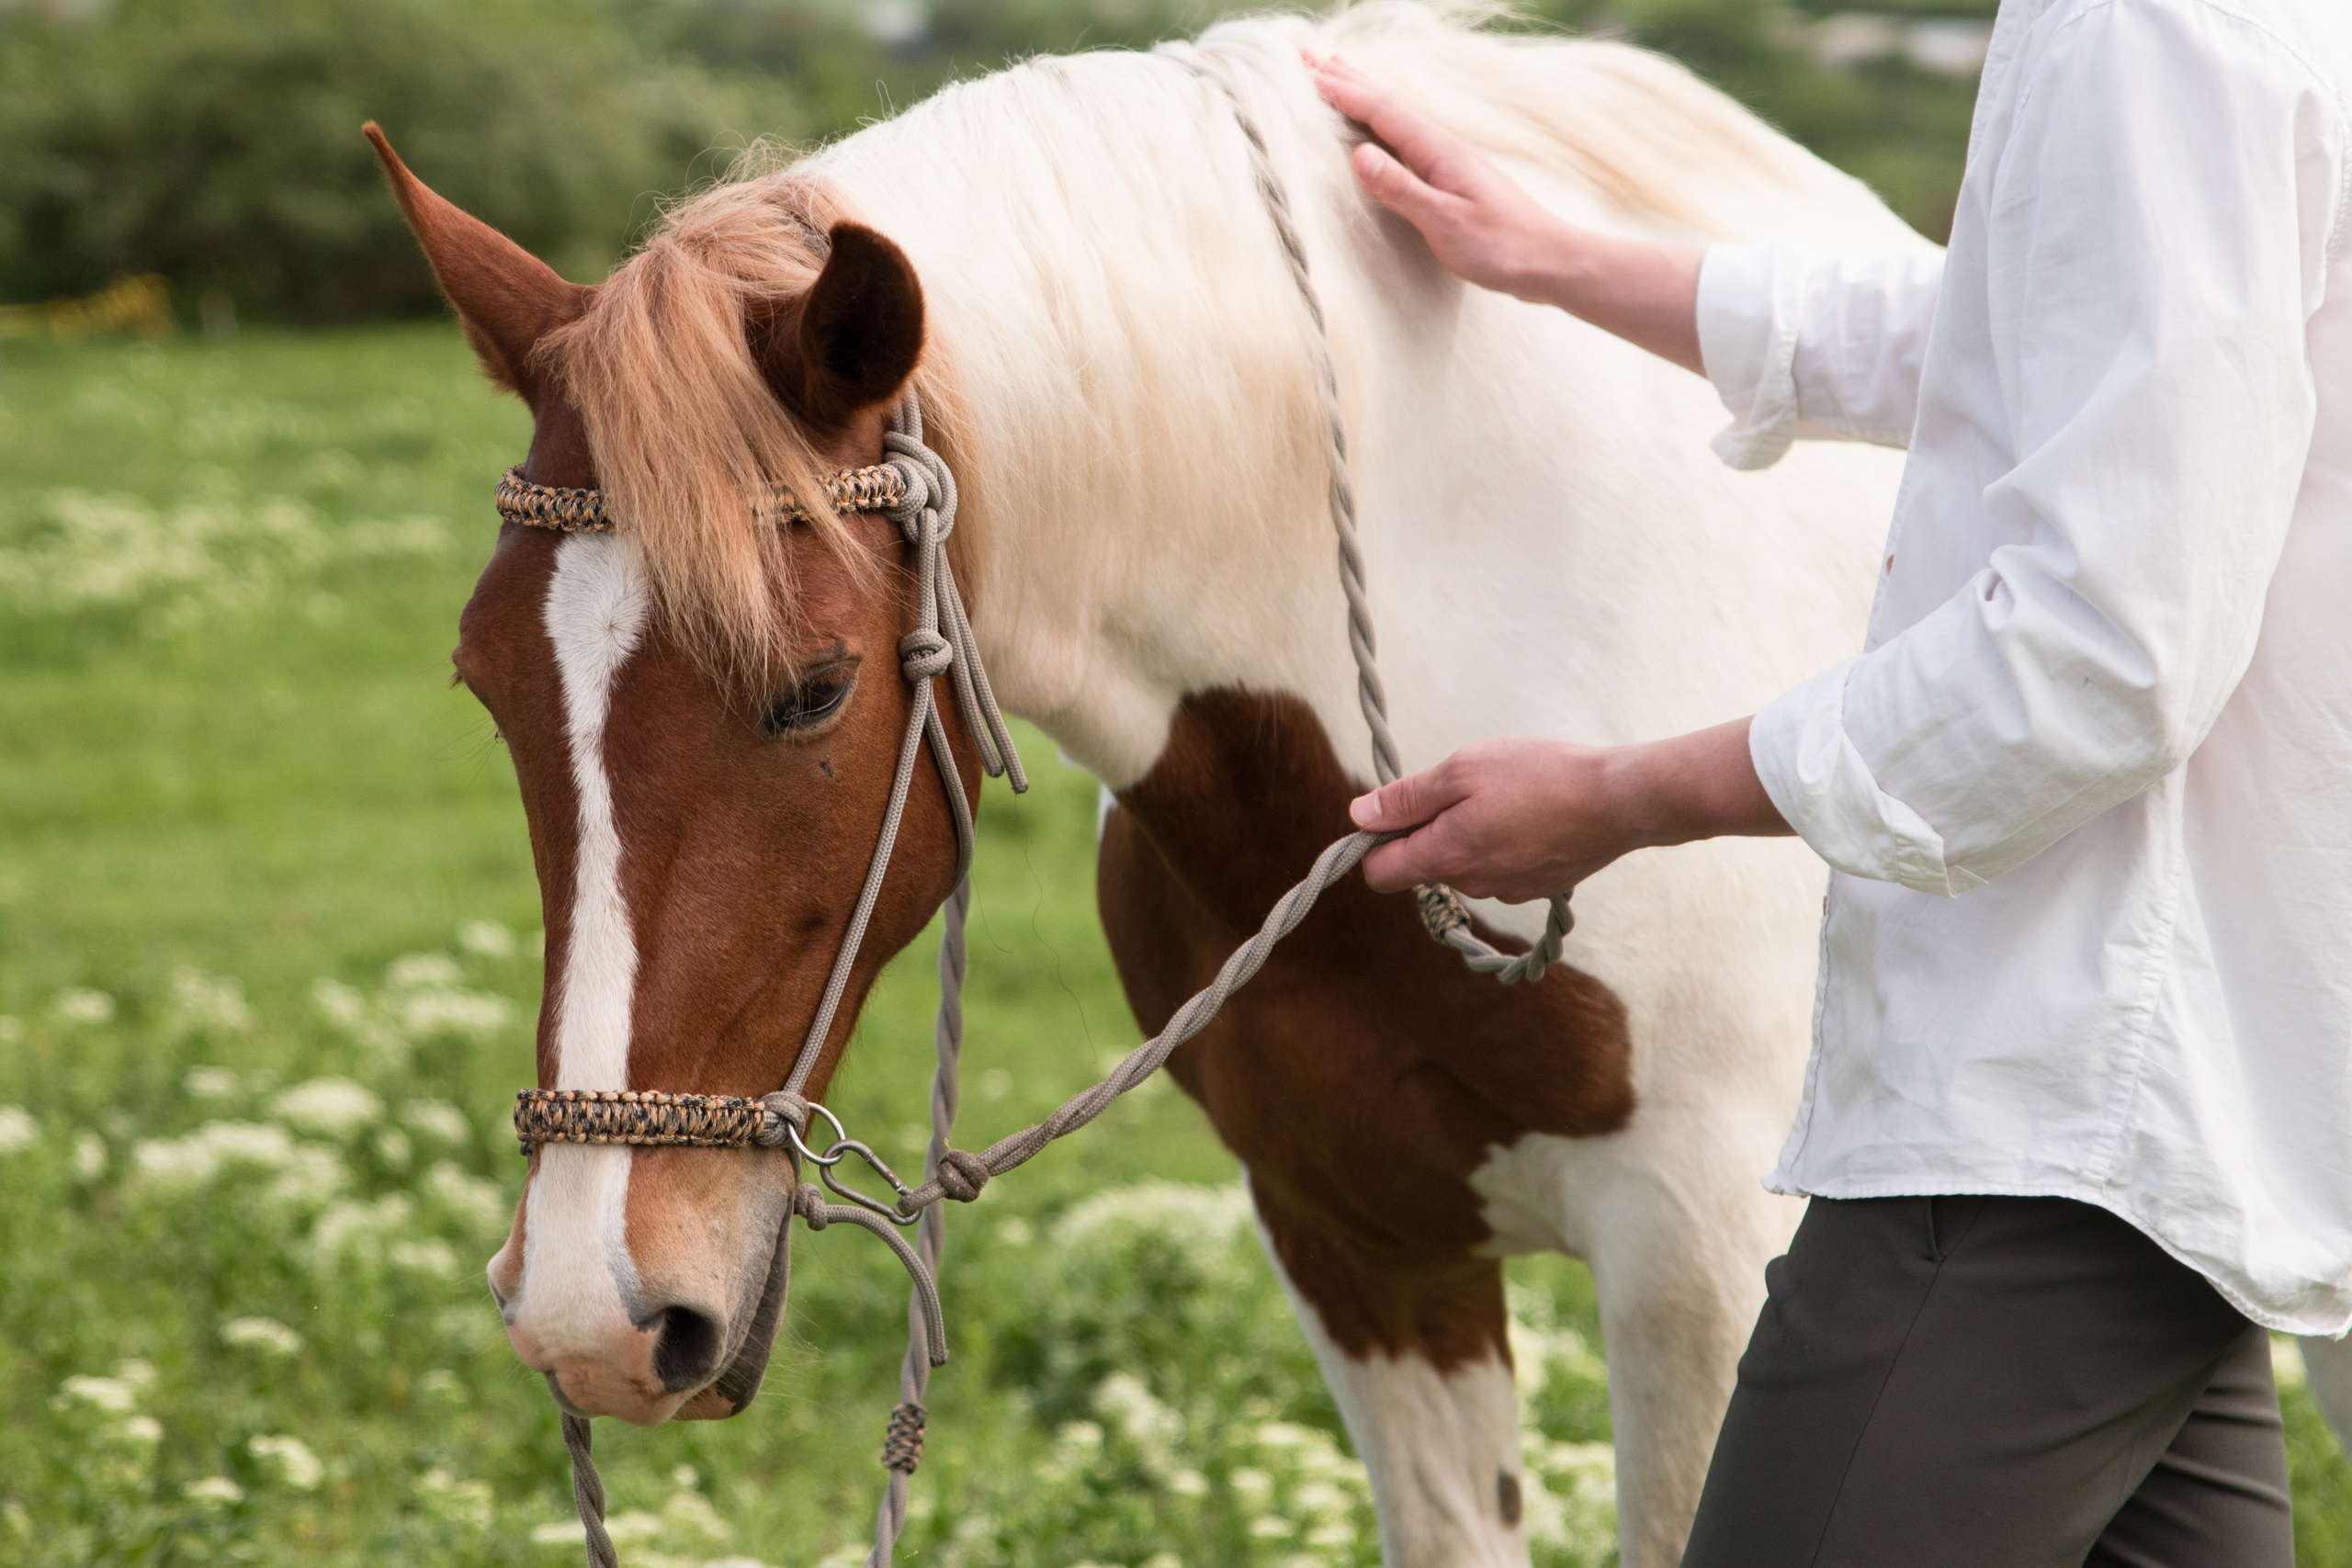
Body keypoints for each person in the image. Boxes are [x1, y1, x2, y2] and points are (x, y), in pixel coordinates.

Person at [1309, 0, 2352, 1560]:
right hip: (2171, 1094)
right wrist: (1561, 256)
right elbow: (2055, 333)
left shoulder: (2149, 25)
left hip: (2071, 1094)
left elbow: (2097, 658)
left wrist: (1619, 797)